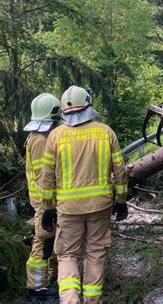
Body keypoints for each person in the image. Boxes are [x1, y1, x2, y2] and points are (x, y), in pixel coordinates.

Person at [39, 86, 128, 303]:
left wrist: (47, 208)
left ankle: (70, 300)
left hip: (68, 209)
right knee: (95, 253)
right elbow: (120, 170)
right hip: (100, 206)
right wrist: (121, 200)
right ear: (88, 104)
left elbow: (47, 177)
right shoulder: (106, 132)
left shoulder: (55, 136)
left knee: (67, 255)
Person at [24, 93, 61, 301]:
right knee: (43, 240)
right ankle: (36, 288)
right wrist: (49, 205)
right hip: (44, 201)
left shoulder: (40, 135)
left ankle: (48, 281)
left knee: (51, 240)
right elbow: (43, 176)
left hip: (46, 199)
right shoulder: (40, 139)